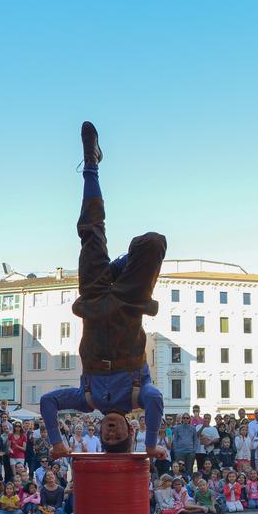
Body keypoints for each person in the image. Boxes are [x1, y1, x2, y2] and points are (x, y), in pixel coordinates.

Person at [40, 123, 167, 463]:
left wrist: (57, 442)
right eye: (117, 435)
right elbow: (156, 402)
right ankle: (121, 264)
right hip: (128, 303)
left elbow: (48, 402)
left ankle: (90, 164)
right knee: (152, 243)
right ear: (130, 431)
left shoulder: (86, 401)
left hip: (94, 298)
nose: (110, 432)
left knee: (90, 232)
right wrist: (151, 442)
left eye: (105, 435)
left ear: (97, 432)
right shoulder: (141, 399)